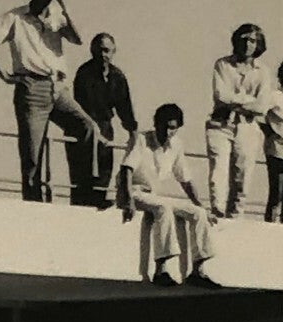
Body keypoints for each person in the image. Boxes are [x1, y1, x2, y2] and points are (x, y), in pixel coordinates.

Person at [0, 0, 104, 205]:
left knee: (87, 127)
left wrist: (63, 8)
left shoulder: (57, 15)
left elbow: (77, 39)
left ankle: (85, 193)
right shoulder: (15, 17)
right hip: (31, 87)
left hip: (57, 87)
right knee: (32, 155)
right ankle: (33, 203)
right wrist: (5, 76)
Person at [120, 104, 219, 288]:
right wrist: (127, 202)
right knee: (163, 208)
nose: (167, 131)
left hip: (155, 195)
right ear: (156, 124)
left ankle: (197, 270)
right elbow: (126, 169)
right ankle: (161, 270)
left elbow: (185, 180)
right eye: (164, 126)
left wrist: (202, 205)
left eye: (172, 128)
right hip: (136, 192)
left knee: (198, 213)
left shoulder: (176, 145)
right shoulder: (141, 139)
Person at [207, 24, 270, 221]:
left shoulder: (263, 72)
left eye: (252, 40)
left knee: (242, 179)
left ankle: (235, 222)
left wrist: (236, 102)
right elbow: (221, 96)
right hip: (221, 124)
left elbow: (262, 107)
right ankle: (217, 216)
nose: (247, 44)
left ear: (258, 44)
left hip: (248, 127)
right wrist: (248, 101)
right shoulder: (223, 65)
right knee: (218, 177)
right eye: (243, 39)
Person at [70, 33, 137, 210]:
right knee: (82, 171)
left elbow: (125, 107)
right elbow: (80, 105)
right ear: (92, 51)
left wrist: (133, 133)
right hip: (82, 126)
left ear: (114, 52)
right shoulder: (84, 73)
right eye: (99, 50)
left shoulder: (117, 76)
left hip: (105, 126)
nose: (103, 54)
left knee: (104, 167)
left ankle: (99, 200)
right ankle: (80, 204)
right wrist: (93, 128)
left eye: (107, 50)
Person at [265, 62, 283, 222]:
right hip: (277, 149)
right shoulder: (274, 96)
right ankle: (270, 225)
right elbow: (258, 112)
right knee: (277, 192)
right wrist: (269, 131)